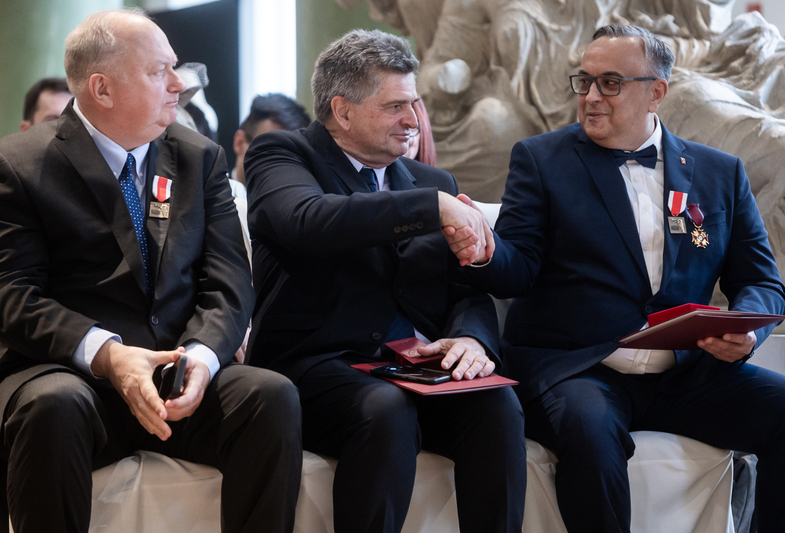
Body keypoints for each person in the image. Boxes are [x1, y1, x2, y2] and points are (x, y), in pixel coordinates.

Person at [450, 24, 785, 533]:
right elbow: (517, 270)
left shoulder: (720, 173)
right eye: (584, 81)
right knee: (591, 434)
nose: (591, 96)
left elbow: (763, 283)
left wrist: (745, 331)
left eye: (610, 83)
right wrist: (485, 252)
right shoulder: (541, 160)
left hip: (685, 375)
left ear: (656, 92)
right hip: (580, 369)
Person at [0, 8, 302, 533]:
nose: (178, 84)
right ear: (102, 88)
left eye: (175, 68)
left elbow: (229, 283)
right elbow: (13, 296)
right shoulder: (19, 163)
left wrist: (203, 358)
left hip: (177, 373)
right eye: (159, 71)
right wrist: (110, 356)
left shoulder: (199, 157)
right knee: (52, 405)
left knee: (270, 396)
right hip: (76, 377)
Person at [244, 29, 525, 533]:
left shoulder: (433, 182)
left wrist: (472, 339)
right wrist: (429, 208)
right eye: (395, 106)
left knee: (495, 402)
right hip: (316, 367)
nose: (413, 119)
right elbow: (308, 221)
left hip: (416, 366)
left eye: (413, 103)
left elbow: (465, 290)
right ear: (343, 111)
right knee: (386, 407)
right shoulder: (282, 155)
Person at [230, 93, 311, 195]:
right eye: (268, 151)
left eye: (290, 156)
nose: (278, 167)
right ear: (240, 143)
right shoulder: (214, 197)